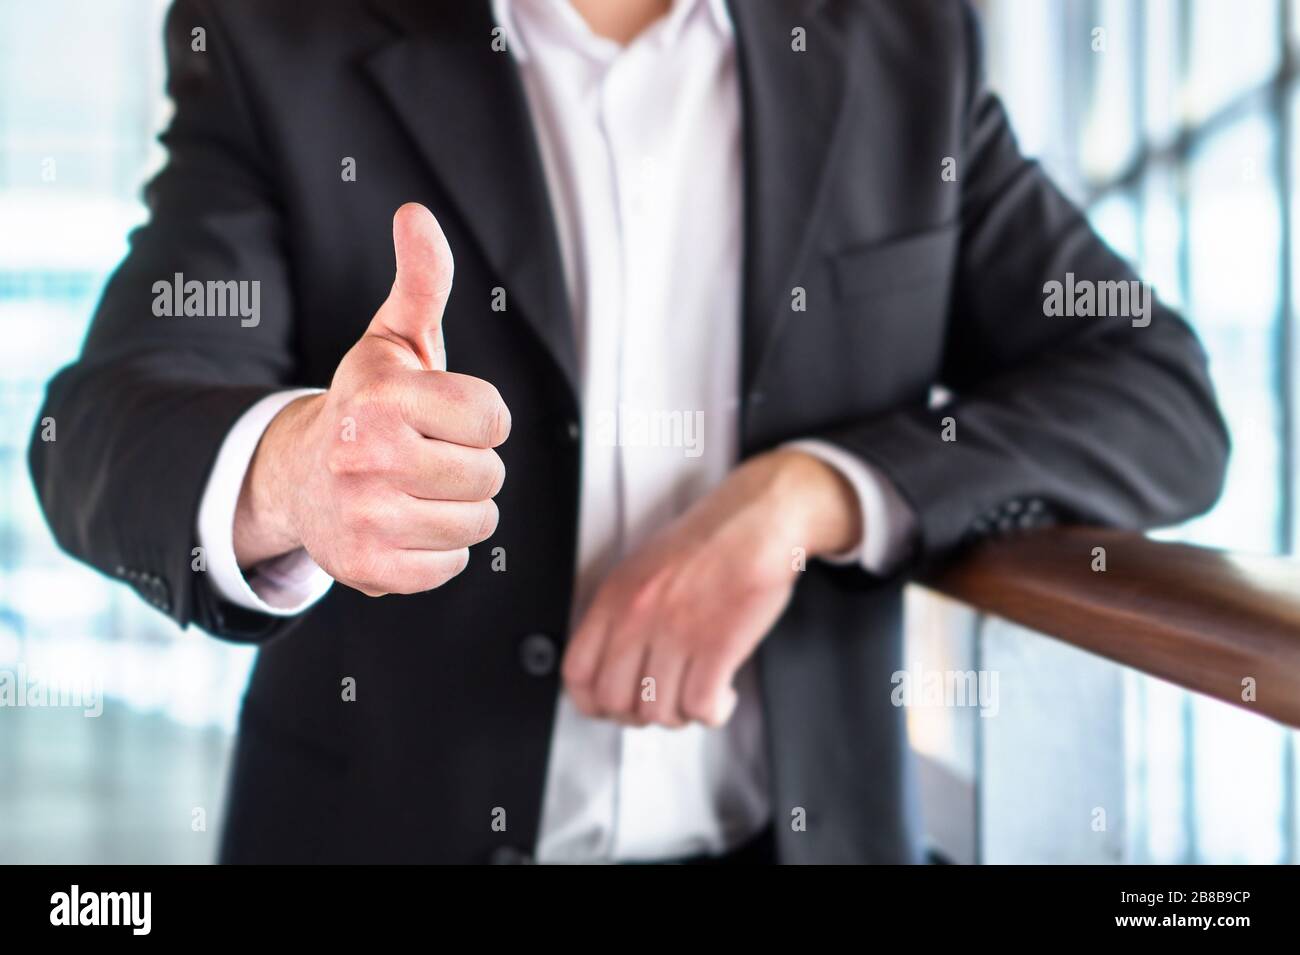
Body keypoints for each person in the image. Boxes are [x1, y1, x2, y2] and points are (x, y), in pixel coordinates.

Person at [29, 0, 1229, 864]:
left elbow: (1159, 393)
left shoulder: (900, 45)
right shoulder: (281, 37)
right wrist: (298, 472)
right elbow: (94, 426)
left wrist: (812, 493)